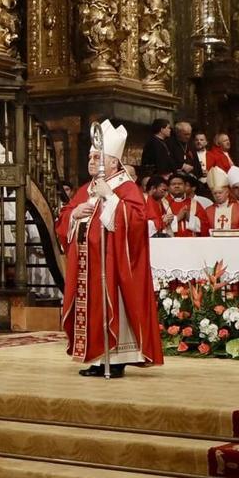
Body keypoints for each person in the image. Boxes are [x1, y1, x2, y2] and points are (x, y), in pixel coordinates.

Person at [59, 122, 163, 379]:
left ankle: (117, 359)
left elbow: (137, 222)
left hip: (115, 266)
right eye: (90, 157)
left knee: (114, 307)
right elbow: (64, 217)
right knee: (94, 309)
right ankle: (98, 358)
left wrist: (112, 200)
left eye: (97, 157)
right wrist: (74, 214)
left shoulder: (126, 187)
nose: (91, 162)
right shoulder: (87, 188)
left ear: (114, 163)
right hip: (89, 266)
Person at [208, 167, 239, 234]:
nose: (217, 195)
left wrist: (234, 233)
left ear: (227, 192)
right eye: (215, 193)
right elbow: (203, 229)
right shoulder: (208, 211)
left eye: (220, 192)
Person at [138, 118, 179, 187]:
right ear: (162, 129)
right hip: (157, 178)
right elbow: (158, 162)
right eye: (168, 128)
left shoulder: (163, 142)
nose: (170, 130)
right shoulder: (153, 143)